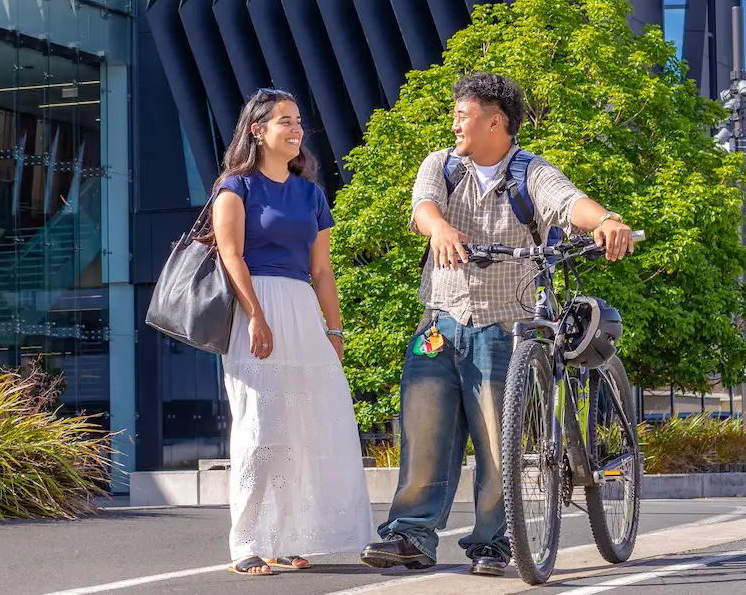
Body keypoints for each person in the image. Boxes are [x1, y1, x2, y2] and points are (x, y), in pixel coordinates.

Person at [361, 71, 634, 578]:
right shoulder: (442, 165)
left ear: (496, 121)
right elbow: (423, 207)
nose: (455, 124)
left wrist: (606, 221)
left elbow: (570, 202)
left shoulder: (531, 173)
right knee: (423, 434)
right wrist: (439, 227)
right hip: (441, 320)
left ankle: (494, 540)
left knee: (496, 440)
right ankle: (410, 535)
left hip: (505, 325)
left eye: (463, 115)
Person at [211, 88, 373, 576]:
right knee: (260, 427)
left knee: (303, 428)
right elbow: (230, 254)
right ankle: (247, 541)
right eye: (285, 121)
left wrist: (336, 329)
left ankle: (288, 536)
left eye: (298, 120)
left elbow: (321, 270)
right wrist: (256, 314)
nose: (297, 129)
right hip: (255, 306)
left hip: (303, 308)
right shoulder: (234, 187)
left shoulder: (311, 194)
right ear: (257, 131)